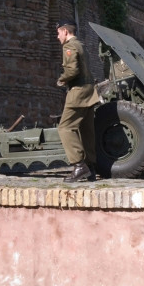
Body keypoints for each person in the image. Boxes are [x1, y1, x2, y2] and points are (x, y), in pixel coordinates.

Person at [55, 20, 99, 182]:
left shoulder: (69, 46)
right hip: (89, 90)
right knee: (86, 130)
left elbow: (72, 70)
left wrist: (62, 79)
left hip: (78, 92)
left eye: (59, 32)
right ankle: (90, 168)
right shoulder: (81, 45)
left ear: (65, 31)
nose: (57, 36)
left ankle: (79, 166)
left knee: (65, 128)